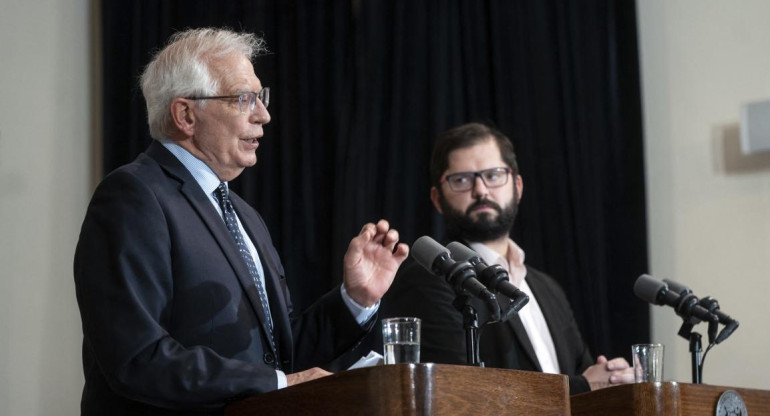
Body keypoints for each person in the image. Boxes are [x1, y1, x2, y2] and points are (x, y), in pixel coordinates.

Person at [73, 28, 409, 415]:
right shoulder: (133, 197)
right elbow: (137, 357)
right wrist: (277, 384)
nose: (263, 115)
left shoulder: (242, 214)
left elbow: (276, 356)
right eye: (244, 99)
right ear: (185, 114)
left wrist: (355, 300)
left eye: (260, 98)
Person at [378, 122, 633, 394]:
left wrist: (611, 380)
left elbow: (584, 372)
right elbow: (462, 393)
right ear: (437, 199)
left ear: (518, 186)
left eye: (494, 174)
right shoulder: (426, 280)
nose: (481, 190)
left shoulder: (548, 289)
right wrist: (586, 385)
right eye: (462, 179)